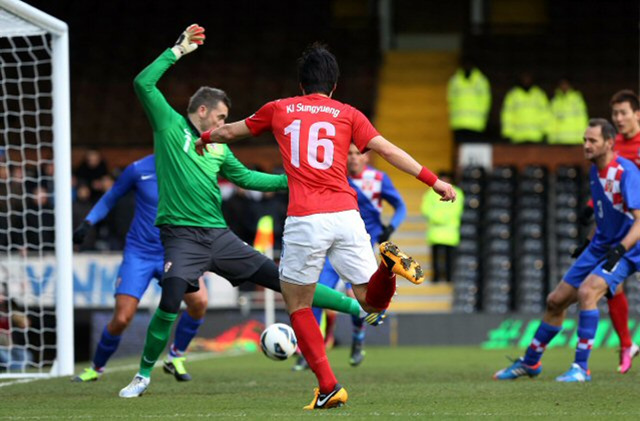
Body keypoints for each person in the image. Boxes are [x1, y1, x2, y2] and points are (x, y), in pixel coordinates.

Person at [119, 26, 382, 399]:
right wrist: (177, 51)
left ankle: (359, 307)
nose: (224, 123)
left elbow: (246, 178)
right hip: (181, 235)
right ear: (205, 110)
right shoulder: (169, 125)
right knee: (173, 293)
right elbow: (143, 84)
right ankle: (143, 375)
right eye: (222, 116)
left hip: (218, 235)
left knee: (284, 281)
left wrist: (293, 180)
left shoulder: (219, 149)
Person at [197, 42, 456, 409]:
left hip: (306, 218)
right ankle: (387, 266)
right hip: (347, 216)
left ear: (301, 85)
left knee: (298, 303)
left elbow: (229, 133)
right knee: (371, 300)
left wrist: (204, 138)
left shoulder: (279, 109)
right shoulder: (348, 114)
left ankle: (329, 386)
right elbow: (388, 150)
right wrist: (434, 181)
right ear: (334, 86)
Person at [494, 118, 640, 382]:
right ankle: (530, 363)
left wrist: (619, 249)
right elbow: (606, 215)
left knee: (588, 292)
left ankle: (581, 368)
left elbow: (639, 221)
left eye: (592, 140)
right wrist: (588, 240)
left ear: (609, 143)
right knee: (555, 301)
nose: (586, 145)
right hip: (601, 246)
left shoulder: (626, 172)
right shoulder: (596, 171)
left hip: (629, 249)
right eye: (585, 140)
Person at [293, 144, 407, 371]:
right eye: (350, 153)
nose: (354, 158)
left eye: (358, 153)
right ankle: (311, 353)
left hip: (359, 249)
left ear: (367, 157)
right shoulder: (336, 178)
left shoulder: (378, 178)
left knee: (360, 297)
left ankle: (357, 339)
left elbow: (400, 206)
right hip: (333, 246)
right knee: (314, 293)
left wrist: (391, 227)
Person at [576, 90, 640, 373]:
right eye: (615, 114)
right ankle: (627, 345)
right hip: (626, 225)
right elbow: (608, 183)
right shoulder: (613, 147)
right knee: (611, 286)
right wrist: (591, 206)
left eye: (623, 112)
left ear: (637, 114)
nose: (619, 118)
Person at [421, 172, 464, 282]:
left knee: (450, 258)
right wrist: (440, 218)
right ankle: (436, 278)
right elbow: (425, 209)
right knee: (436, 257)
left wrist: (438, 219)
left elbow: (457, 210)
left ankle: (449, 278)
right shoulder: (431, 193)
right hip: (437, 232)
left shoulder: (457, 192)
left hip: (449, 232)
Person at [447, 57, 491, 143]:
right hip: (459, 123)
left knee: (473, 150)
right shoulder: (455, 81)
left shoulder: (481, 81)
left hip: (476, 124)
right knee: (459, 152)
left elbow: (486, 101)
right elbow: (450, 100)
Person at [501, 72, 550, 143]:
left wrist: (546, 132)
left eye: (528, 77)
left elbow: (545, 114)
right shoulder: (513, 94)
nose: (526, 80)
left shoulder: (539, 94)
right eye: (524, 77)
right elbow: (507, 115)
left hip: (536, 137)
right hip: (517, 137)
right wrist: (507, 133)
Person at [548, 78, 588, 145]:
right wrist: (552, 139)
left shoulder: (576, 99)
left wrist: (582, 139)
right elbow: (551, 121)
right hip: (559, 141)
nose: (564, 86)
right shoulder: (555, 101)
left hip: (574, 141)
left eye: (565, 84)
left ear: (570, 85)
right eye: (562, 84)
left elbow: (582, 119)